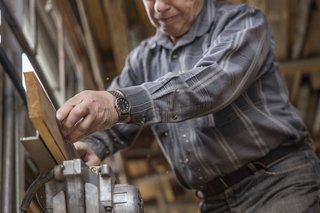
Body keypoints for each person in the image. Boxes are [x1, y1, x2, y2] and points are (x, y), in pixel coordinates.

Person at [56, 0, 320, 212]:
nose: (159, 7)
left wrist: (116, 101)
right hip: (213, 200)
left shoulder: (243, 23)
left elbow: (208, 88)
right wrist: (94, 145)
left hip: (277, 181)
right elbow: (113, 126)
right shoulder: (142, 60)